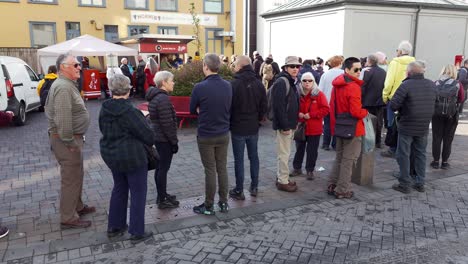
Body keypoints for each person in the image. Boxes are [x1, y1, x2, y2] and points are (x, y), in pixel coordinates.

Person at [99, 74, 155, 243]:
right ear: (128, 89)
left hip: (112, 155)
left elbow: (104, 129)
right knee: (138, 193)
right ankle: (137, 231)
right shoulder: (130, 111)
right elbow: (148, 137)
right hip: (132, 157)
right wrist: (147, 122)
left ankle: (115, 226)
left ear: (111, 89)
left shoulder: (104, 108)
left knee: (119, 188)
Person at [45, 54, 94, 228]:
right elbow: (63, 119)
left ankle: (78, 206)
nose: (79, 67)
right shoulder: (63, 87)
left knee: (76, 174)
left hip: (71, 138)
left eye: (78, 64)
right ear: (63, 67)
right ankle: (68, 217)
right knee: (70, 178)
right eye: (75, 65)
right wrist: (70, 142)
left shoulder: (66, 85)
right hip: (66, 140)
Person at [190, 53, 232, 215]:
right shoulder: (228, 85)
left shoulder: (199, 87)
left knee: (210, 169)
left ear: (206, 67)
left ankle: (208, 206)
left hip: (206, 134)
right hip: (223, 133)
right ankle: (224, 203)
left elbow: (192, 110)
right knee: (222, 168)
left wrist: (202, 110)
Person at [389, 61, 436, 193]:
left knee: (403, 154)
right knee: (421, 154)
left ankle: (404, 183)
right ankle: (420, 182)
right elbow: (436, 103)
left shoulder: (406, 85)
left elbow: (393, 105)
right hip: (423, 126)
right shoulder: (431, 84)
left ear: (409, 72)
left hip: (407, 125)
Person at [328, 57, 368, 199]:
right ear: (347, 70)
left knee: (340, 157)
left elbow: (332, 107)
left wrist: (334, 126)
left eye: (360, 69)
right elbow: (356, 112)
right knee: (348, 160)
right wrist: (366, 112)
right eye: (355, 69)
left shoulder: (338, 84)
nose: (358, 72)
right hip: (353, 128)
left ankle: (333, 184)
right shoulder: (353, 87)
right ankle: (342, 189)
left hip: (340, 126)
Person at [229, 55, 267, 200]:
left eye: (235, 65)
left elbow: (229, 107)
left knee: (239, 160)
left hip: (238, 127)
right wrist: (258, 120)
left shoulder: (233, 84)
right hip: (253, 127)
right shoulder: (258, 83)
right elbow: (264, 105)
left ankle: (239, 189)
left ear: (239, 66)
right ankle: (254, 186)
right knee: (254, 157)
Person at [146, 71, 180, 209]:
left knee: (160, 169)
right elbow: (167, 124)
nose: (173, 83)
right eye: (171, 80)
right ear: (164, 82)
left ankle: (163, 195)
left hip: (158, 137)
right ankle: (162, 199)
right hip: (164, 139)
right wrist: (174, 142)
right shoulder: (163, 99)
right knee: (162, 169)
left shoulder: (157, 97)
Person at [291, 72, 329, 180]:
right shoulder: (297, 93)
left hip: (314, 128)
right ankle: (297, 168)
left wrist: (312, 115)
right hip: (301, 127)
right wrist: (298, 114)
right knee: (299, 149)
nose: (307, 83)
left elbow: (326, 109)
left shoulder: (319, 94)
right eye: (304, 80)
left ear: (313, 81)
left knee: (312, 151)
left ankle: (309, 170)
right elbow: (292, 107)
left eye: (310, 80)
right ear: (301, 81)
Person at [381, 41, 416, 158]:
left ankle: (393, 149)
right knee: (405, 124)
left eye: (397, 50)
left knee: (392, 124)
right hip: (409, 98)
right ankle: (404, 148)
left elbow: (389, 81)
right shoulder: (414, 62)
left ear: (400, 51)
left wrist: (385, 96)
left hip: (395, 98)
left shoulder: (395, 62)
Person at [272, 56, 301, 192]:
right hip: (285, 126)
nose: (295, 69)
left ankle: (281, 178)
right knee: (284, 154)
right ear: (285, 68)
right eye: (292, 66)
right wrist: (285, 126)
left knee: (285, 153)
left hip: (290, 124)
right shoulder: (282, 82)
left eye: (297, 66)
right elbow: (279, 107)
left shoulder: (291, 81)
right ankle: (283, 181)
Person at [431, 64, 465, 170]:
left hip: (436, 114)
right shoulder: (458, 84)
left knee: (436, 138)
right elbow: (461, 98)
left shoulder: (435, 83)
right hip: (451, 115)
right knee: (448, 139)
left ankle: (435, 162)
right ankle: (445, 163)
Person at [360, 54, 386, 148]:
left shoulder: (366, 72)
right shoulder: (383, 72)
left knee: (368, 122)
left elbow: (363, 86)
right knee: (379, 122)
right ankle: (378, 142)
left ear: (369, 61)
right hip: (379, 101)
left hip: (367, 101)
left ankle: (368, 141)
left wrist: (360, 99)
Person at [318, 55, 344, 150]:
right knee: (337, 124)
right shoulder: (344, 74)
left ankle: (325, 144)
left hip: (327, 103)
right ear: (340, 63)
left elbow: (320, 90)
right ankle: (335, 144)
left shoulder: (325, 74)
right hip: (340, 103)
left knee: (327, 124)